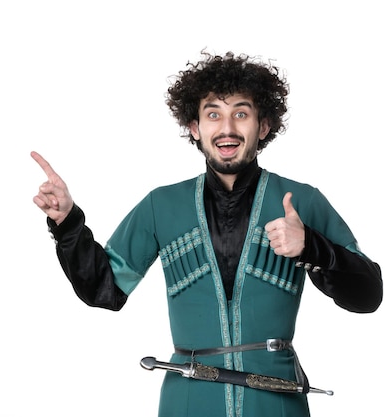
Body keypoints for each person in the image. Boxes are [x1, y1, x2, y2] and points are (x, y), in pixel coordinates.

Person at [30, 51, 382, 417]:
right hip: (188, 401)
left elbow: (369, 295)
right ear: (195, 128)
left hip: (276, 401)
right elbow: (104, 290)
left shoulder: (302, 201)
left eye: (241, 114)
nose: (227, 128)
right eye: (213, 114)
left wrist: (314, 247)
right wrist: (68, 223)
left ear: (262, 126)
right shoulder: (159, 205)